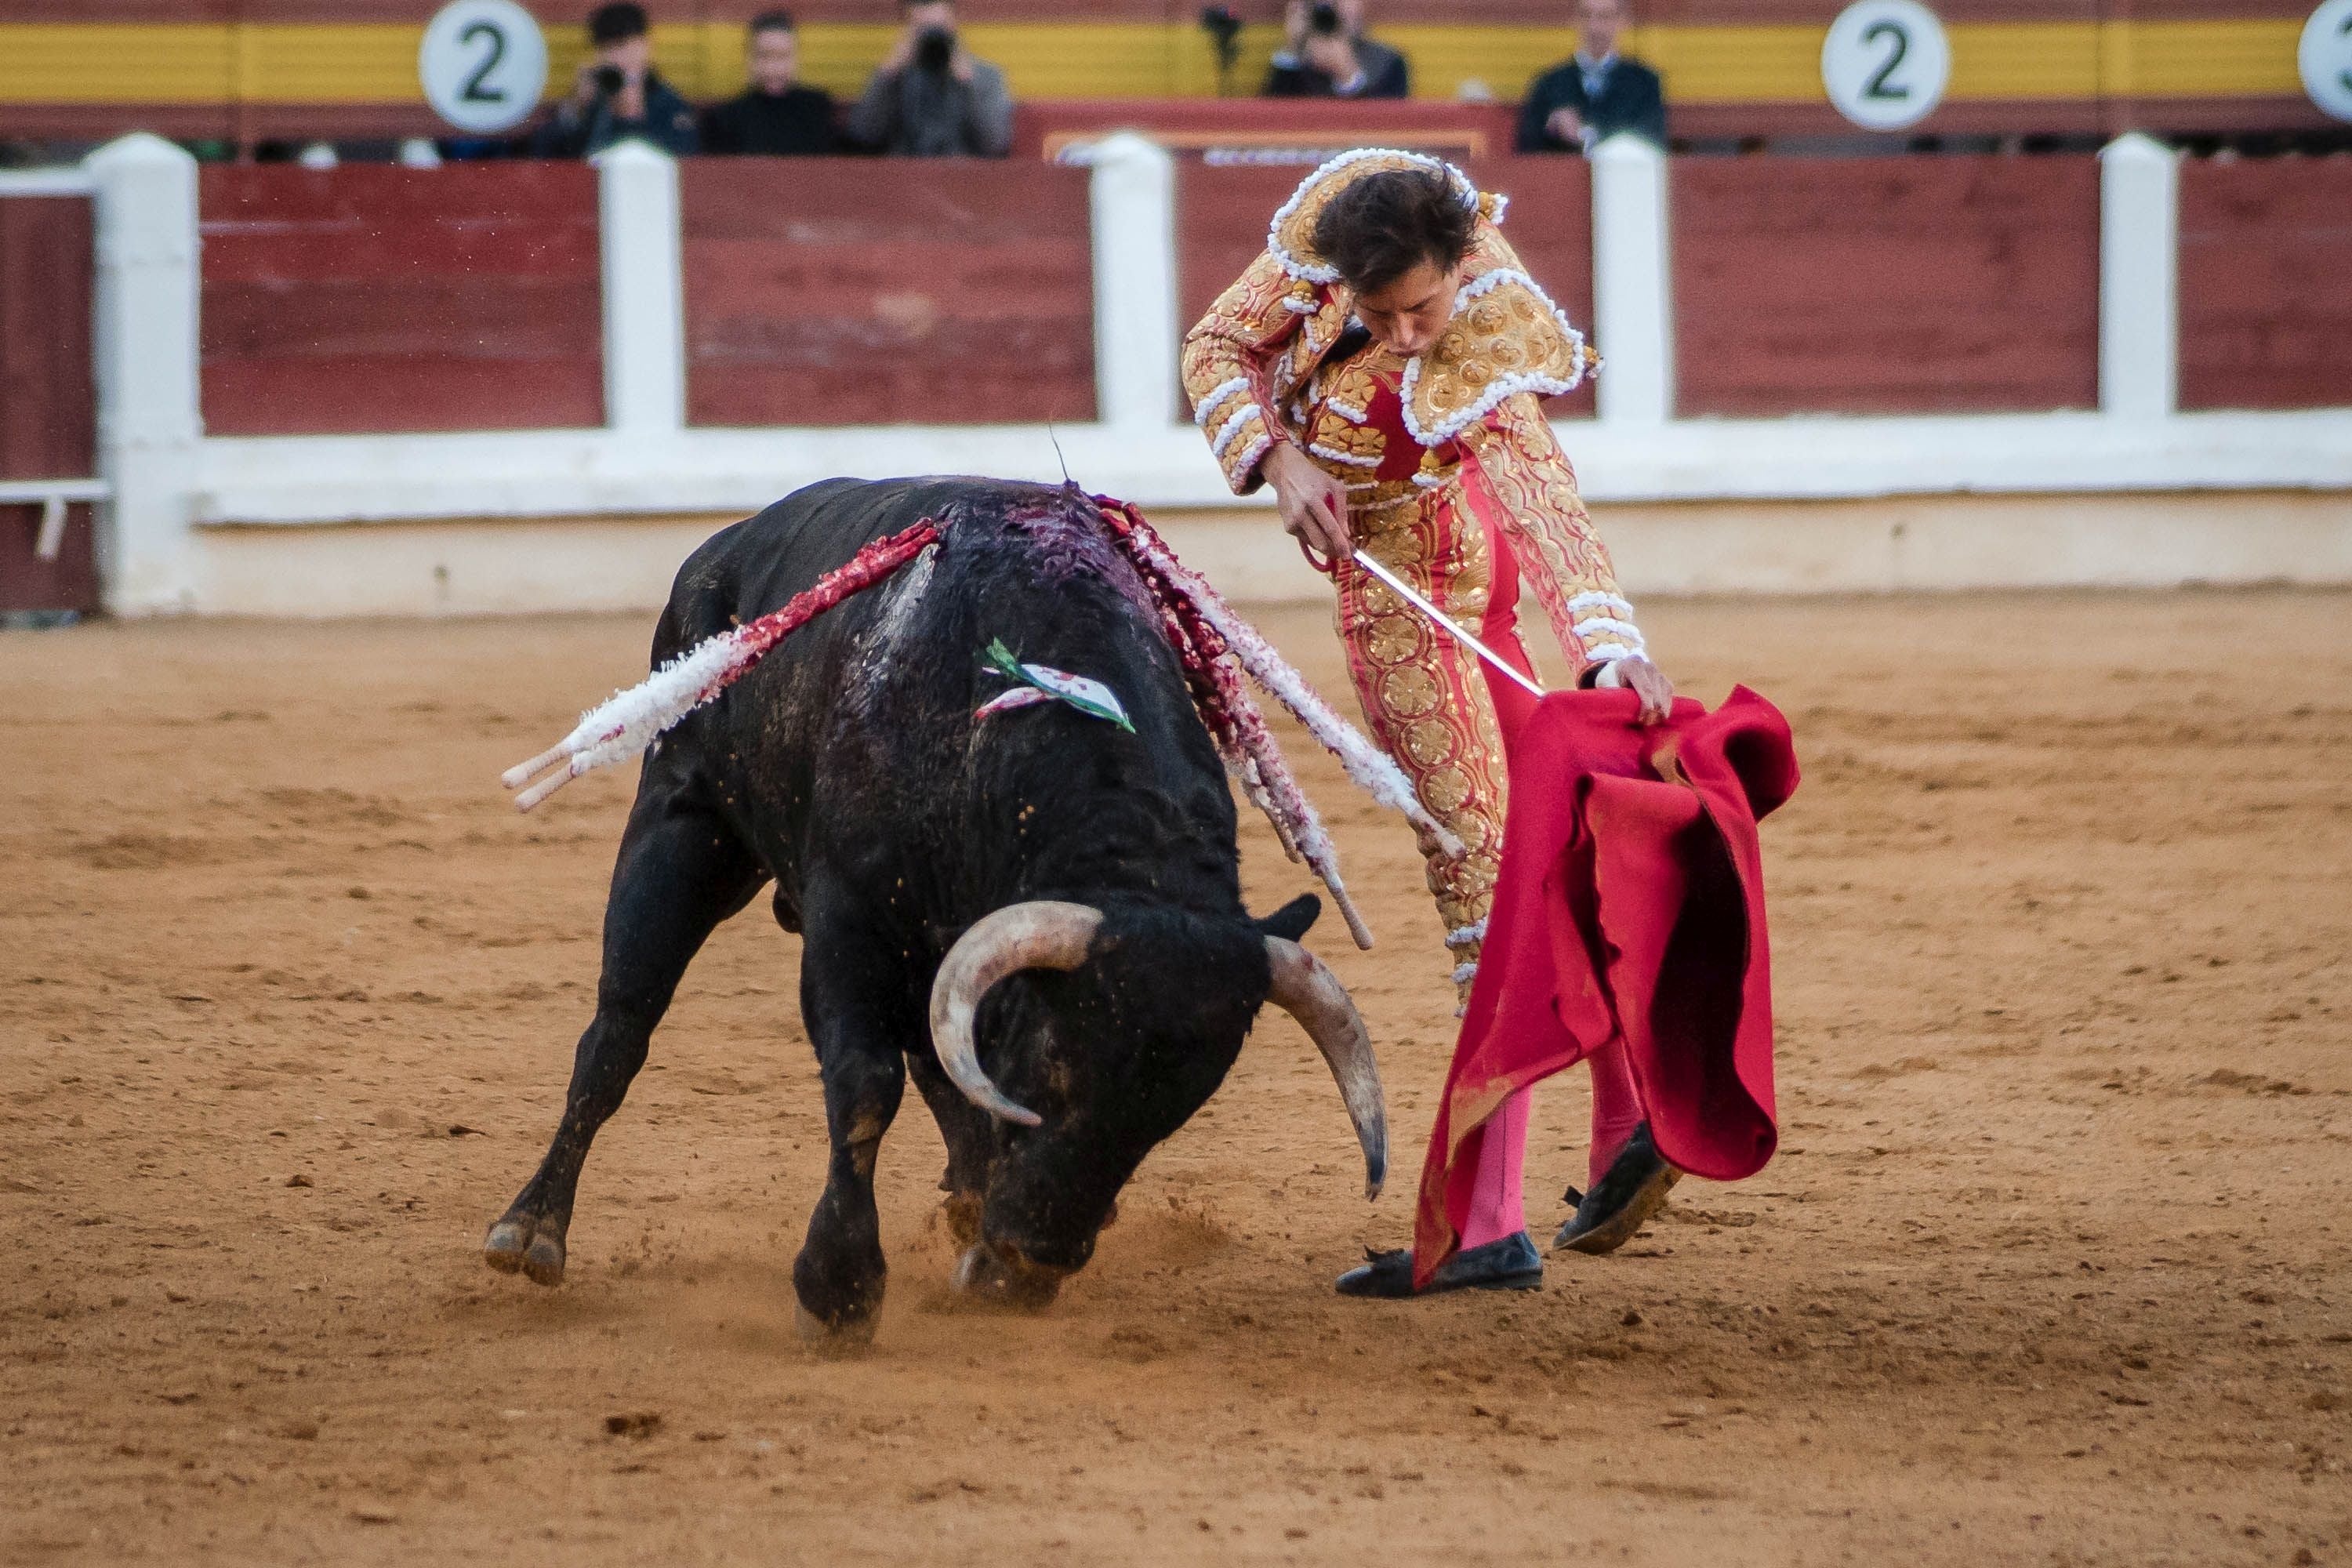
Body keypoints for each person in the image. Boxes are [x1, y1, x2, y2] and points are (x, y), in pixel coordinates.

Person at [1181, 151, 1679, 1297]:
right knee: (1539, 859)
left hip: (1424, 603)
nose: (1408, 335)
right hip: (1419, 577)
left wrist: (1608, 644)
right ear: (1339, 282)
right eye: (1382, 312)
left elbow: (1544, 493)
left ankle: (1486, 1224)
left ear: (1463, 265)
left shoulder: (1483, 330)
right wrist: (1277, 456)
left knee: (1487, 889)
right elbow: (1215, 346)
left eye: (1424, 308)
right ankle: (1625, 1119)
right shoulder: (1319, 244)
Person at [848, 0, 1014, 158]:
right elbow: (863, 135)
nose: (931, 38)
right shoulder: (895, 75)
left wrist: (968, 82)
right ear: (908, 31)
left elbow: (995, 144)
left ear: (953, 24)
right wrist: (889, 73)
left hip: (962, 178)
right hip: (904, 176)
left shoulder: (986, 77)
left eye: (938, 29)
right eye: (922, 29)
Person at [531, 2, 699, 158]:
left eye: (621, 45)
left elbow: (680, 157)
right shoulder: (595, 94)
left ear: (644, 45)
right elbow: (544, 153)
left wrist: (630, 117)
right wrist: (575, 111)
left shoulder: (667, 102)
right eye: (605, 48)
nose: (614, 57)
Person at [1515, 0, 1667, 152]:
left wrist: (1586, 135)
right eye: (1586, 16)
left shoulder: (1645, 84)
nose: (1594, 27)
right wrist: (1552, 127)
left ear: (1623, 21)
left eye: (1605, 16)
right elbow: (1526, 152)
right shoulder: (1548, 84)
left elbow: (1652, 145)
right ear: (1575, 20)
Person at [700, 11, 837, 155]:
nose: (773, 67)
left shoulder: (817, 109)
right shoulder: (726, 118)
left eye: (782, 56)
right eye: (763, 56)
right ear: (748, 58)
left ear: (796, 58)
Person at [1264, 0, 1410, 100]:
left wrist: (1348, 78)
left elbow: (1390, 123)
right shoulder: (1295, 65)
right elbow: (1272, 120)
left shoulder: (1388, 61)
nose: (1334, 7)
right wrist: (1293, 49)